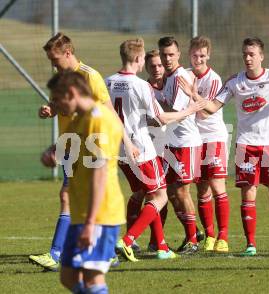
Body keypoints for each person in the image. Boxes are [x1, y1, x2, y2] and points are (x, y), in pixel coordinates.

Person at [178, 37, 269, 256]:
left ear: (261, 56)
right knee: (248, 195)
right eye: (245, 54)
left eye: (252, 54)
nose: (247, 58)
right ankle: (250, 244)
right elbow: (212, 108)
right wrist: (193, 94)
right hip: (246, 146)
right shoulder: (235, 82)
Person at [30, 32, 135, 271]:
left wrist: (127, 143)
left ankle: (57, 254)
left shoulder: (90, 76)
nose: (53, 65)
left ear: (68, 53)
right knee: (74, 198)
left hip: (91, 147)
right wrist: (48, 110)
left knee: (75, 197)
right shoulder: (61, 77)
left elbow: (110, 112)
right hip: (69, 147)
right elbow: (59, 108)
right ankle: (104, 253)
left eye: (55, 59)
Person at [106, 39, 205, 261]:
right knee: (160, 195)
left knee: (149, 193)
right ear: (139, 59)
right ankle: (128, 240)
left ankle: (161, 246)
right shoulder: (141, 85)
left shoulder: (108, 82)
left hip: (119, 150)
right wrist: (190, 109)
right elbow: (160, 119)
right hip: (141, 148)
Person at [44, 71, 125, 293]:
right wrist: (51, 152)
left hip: (99, 214)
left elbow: (100, 173)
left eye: (57, 99)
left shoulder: (99, 121)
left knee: (92, 279)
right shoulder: (80, 118)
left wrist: (90, 223)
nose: (55, 105)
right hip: (81, 213)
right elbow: (65, 145)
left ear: (71, 93)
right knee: (68, 276)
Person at [158, 36, 203, 254]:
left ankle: (193, 240)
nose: (167, 59)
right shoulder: (169, 77)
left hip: (186, 143)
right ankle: (193, 231)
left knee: (181, 191)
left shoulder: (179, 77)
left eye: (171, 55)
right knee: (171, 192)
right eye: (164, 54)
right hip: (173, 143)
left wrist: (152, 117)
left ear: (178, 55)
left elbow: (174, 114)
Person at [188, 36, 230, 252]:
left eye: (202, 55)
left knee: (216, 186)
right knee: (201, 189)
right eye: (195, 55)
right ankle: (210, 235)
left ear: (208, 56)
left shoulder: (213, 79)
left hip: (213, 137)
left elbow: (205, 113)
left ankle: (223, 236)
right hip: (195, 140)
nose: (198, 59)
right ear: (189, 55)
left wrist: (192, 94)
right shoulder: (185, 76)